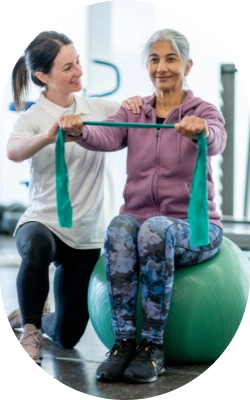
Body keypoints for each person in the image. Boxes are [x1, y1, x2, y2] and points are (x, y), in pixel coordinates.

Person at [59, 28, 227, 384]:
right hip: (140, 223)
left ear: (188, 65)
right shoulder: (135, 111)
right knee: (121, 225)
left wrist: (202, 131)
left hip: (195, 229)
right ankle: (123, 344)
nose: (161, 67)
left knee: (154, 230)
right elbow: (105, 134)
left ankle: (152, 347)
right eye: (154, 59)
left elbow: (217, 139)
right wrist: (78, 130)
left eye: (170, 58)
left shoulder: (202, 111)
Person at [6, 30, 142, 364]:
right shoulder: (33, 118)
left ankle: (25, 317)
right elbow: (13, 150)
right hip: (44, 222)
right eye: (68, 67)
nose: (78, 70)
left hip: (83, 234)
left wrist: (138, 104)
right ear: (43, 76)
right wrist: (46, 137)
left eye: (77, 61)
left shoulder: (99, 108)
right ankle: (31, 334)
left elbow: (137, 115)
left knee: (68, 337)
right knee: (36, 247)